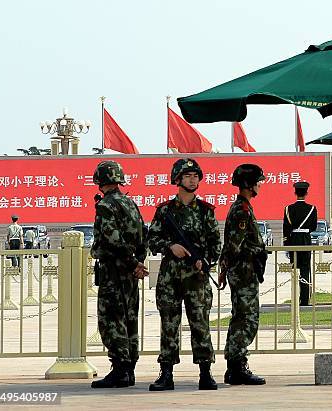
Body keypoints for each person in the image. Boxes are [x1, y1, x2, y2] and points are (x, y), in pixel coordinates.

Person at [148, 158, 221, 391]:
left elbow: (215, 243)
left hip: (196, 278)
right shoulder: (165, 211)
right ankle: (166, 373)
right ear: (177, 180)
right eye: (188, 176)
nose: (193, 179)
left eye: (195, 176)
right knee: (169, 324)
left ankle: (205, 373)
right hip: (170, 276)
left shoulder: (205, 211)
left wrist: (205, 260)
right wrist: (170, 246)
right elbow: (152, 239)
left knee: (200, 323)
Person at [90, 160, 148, 389]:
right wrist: (137, 262)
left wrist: (131, 262)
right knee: (129, 317)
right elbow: (144, 234)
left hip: (114, 271)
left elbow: (112, 238)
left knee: (111, 319)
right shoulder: (130, 203)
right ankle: (129, 368)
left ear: (100, 181)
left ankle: (120, 369)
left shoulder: (105, 206)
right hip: (130, 272)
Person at [218, 164, 267, 386]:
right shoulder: (242, 210)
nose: (259, 185)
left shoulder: (243, 207)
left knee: (241, 316)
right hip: (244, 271)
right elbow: (234, 245)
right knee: (246, 318)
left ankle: (234, 366)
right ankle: (237, 366)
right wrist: (227, 266)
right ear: (248, 184)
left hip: (243, 270)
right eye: (257, 181)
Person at [283, 181, 318, 306]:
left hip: (293, 241)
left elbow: (286, 229)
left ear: (295, 193)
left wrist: (286, 246)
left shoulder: (288, 209)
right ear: (306, 193)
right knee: (305, 271)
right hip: (306, 240)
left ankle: (295, 298)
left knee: (294, 271)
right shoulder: (312, 209)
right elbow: (313, 227)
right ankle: (304, 300)